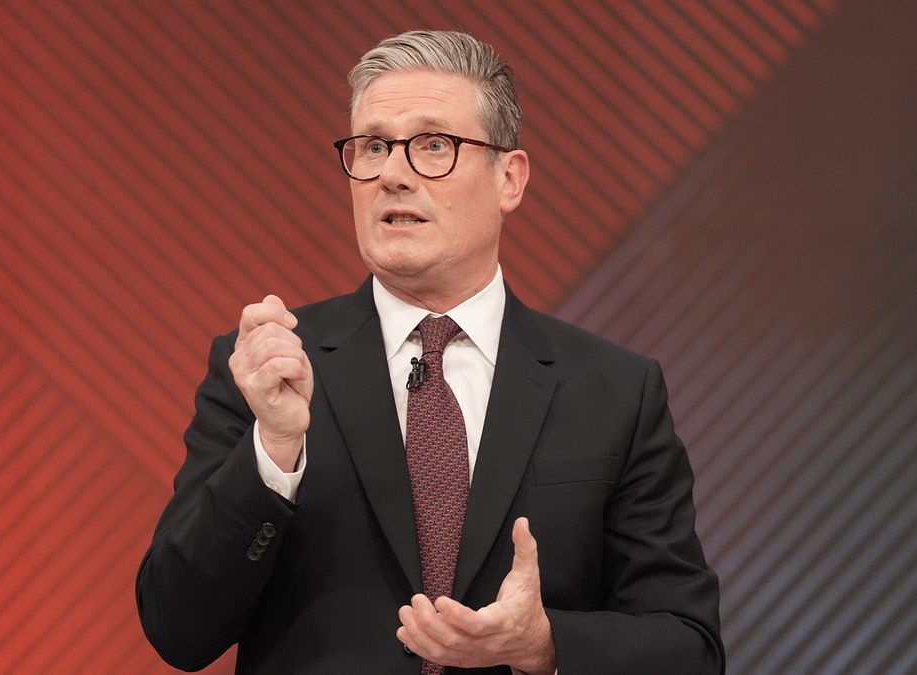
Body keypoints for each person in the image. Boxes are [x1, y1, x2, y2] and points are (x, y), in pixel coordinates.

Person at [136, 30, 723, 674]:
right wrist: (274, 453)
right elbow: (177, 629)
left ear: (510, 178)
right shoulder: (268, 372)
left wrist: (545, 644)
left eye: (433, 146)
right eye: (373, 146)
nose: (391, 174)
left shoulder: (614, 390)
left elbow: (687, 646)